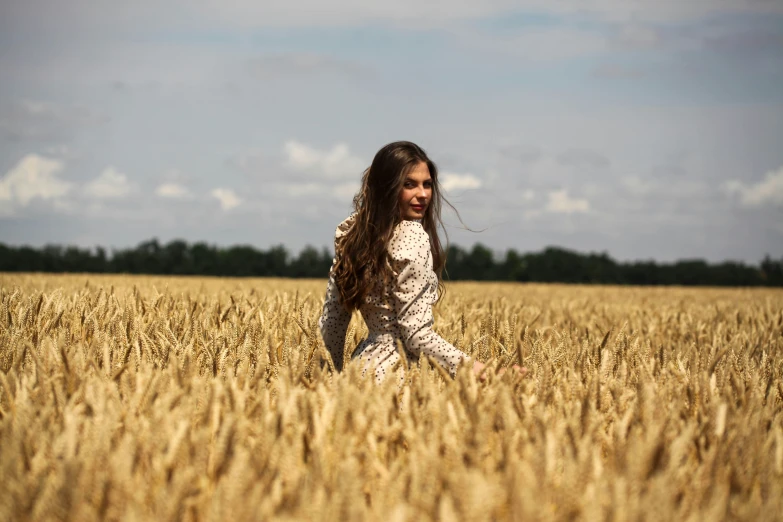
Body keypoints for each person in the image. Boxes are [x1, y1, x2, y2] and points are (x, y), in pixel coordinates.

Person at [318, 141, 523, 383]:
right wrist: (483, 371)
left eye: (427, 184)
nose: (423, 194)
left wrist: (328, 379)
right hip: (398, 377)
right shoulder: (412, 237)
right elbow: (416, 336)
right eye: (409, 185)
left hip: (360, 372)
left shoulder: (352, 234)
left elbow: (333, 320)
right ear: (387, 187)